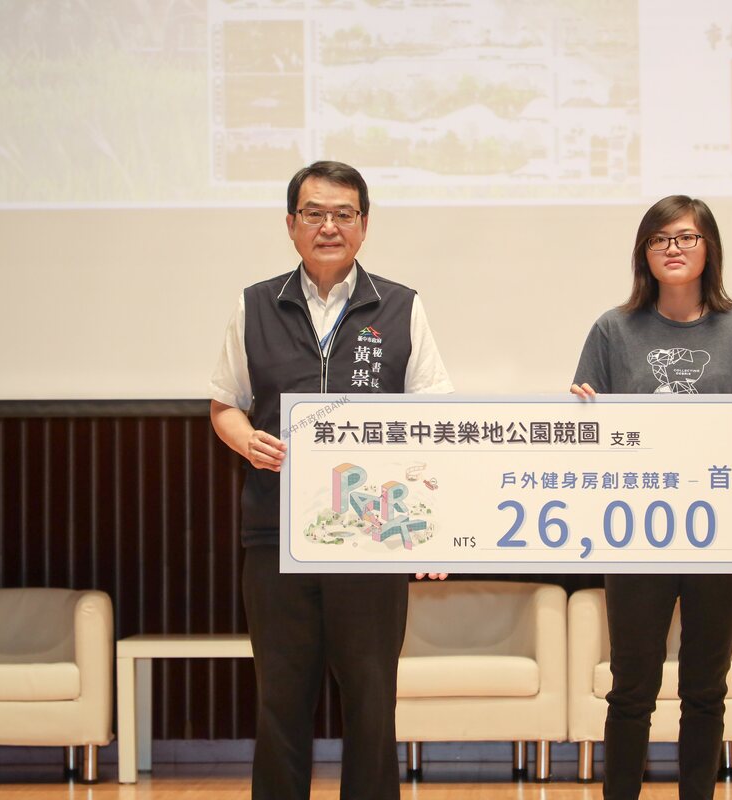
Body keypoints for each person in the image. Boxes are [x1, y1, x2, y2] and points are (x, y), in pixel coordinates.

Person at [208, 160, 452, 800]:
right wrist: (246, 439)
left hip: (373, 537)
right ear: (290, 224)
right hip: (277, 533)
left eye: (344, 214)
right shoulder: (254, 304)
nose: (328, 226)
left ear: (364, 226)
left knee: (372, 702)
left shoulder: (400, 306)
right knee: (280, 700)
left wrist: (429, 531)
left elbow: (433, 416)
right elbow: (224, 403)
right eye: (314, 213)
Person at [569, 195, 732, 800]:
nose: (673, 248)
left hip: (721, 528)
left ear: (709, 249)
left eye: (687, 237)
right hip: (636, 528)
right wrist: (579, 416)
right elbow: (583, 427)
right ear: (644, 252)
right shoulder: (612, 329)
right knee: (631, 686)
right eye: (660, 238)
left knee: (706, 686)